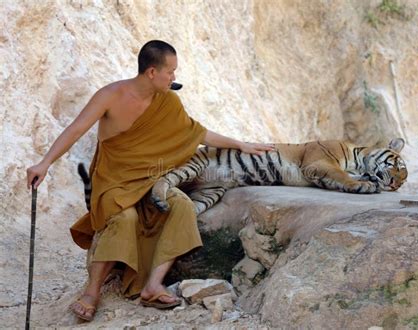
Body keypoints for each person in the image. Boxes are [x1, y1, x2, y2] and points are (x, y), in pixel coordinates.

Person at [26, 40, 273, 322]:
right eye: (171, 71)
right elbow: (76, 128)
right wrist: (44, 163)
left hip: (151, 178)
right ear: (152, 72)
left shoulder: (168, 101)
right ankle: (92, 291)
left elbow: (197, 133)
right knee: (125, 219)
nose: (174, 77)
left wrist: (241, 144)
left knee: (180, 204)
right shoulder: (110, 95)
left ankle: (153, 284)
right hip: (113, 183)